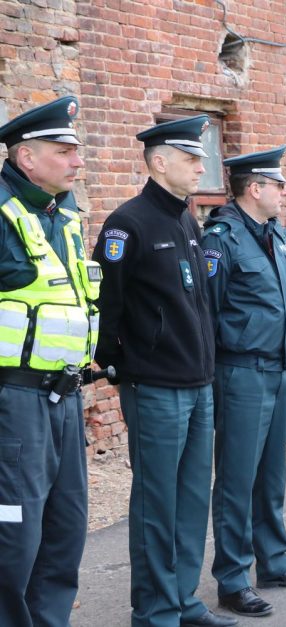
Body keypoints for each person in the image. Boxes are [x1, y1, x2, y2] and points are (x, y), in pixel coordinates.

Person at [94, 116, 233, 627]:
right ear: (158, 162)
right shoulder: (127, 224)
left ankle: (183, 599)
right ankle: (155, 611)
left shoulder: (185, 219)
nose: (201, 166)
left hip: (198, 383)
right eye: (191, 158)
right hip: (155, 385)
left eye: (201, 157)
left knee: (192, 500)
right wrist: (118, 363)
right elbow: (106, 303)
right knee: (158, 503)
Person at [202, 146, 286, 619]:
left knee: (272, 474)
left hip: (280, 368)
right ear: (254, 189)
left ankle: (273, 560)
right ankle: (232, 579)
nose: (285, 192)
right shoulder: (222, 239)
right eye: (277, 185)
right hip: (242, 372)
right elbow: (208, 315)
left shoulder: (276, 235)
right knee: (237, 480)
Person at [0, 96, 96, 627]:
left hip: (66, 397)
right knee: (14, 534)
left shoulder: (64, 215)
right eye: (65, 151)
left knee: (65, 529)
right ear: (26, 157)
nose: (77, 161)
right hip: (15, 399)